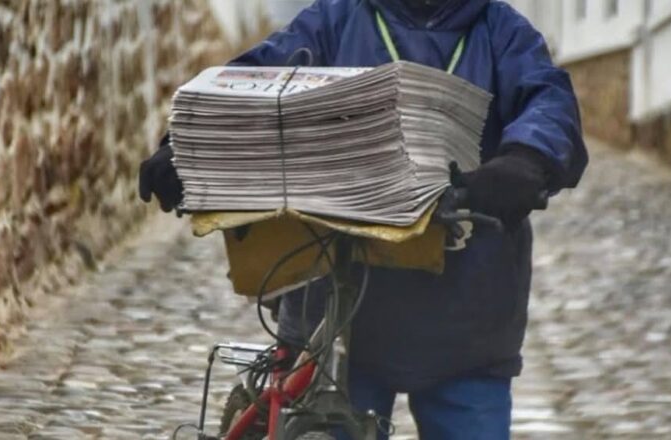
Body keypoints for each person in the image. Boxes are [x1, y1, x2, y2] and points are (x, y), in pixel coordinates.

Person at [139, 0, 588, 438]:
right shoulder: (334, 20)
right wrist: (190, 147)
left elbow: (548, 102)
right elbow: (255, 81)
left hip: (466, 318)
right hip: (338, 317)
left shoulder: (501, 31)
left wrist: (528, 158)